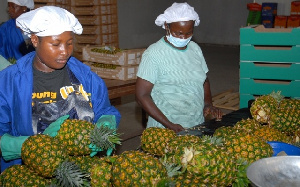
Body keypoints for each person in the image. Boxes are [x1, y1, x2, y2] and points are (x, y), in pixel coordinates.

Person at [0, 6, 121, 172]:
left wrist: (106, 124)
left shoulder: (85, 77)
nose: (65, 52)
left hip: (82, 168)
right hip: (32, 172)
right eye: (55, 44)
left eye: (69, 43)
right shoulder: (9, 81)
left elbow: (105, 110)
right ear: (35, 40)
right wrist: (32, 144)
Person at [136, 2, 223, 133]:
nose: (184, 37)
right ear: (166, 26)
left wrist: (208, 104)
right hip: (165, 128)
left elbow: (203, 80)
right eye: (178, 33)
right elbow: (142, 96)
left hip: (195, 124)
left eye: (189, 33)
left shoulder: (195, 49)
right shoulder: (154, 54)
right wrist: (169, 124)